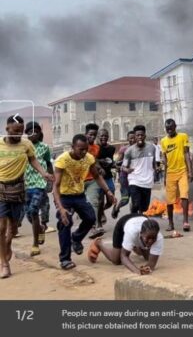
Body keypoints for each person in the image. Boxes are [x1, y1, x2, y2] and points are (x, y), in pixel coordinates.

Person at [53, 134, 117, 270]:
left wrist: (108, 192)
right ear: (73, 147)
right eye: (80, 149)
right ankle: (64, 259)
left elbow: (97, 176)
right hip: (64, 196)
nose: (83, 152)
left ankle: (76, 238)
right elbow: (56, 185)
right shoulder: (62, 160)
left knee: (90, 218)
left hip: (79, 195)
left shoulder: (88, 158)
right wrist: (60, 208)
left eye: (85, 149)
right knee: (65, 223)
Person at [0, 116, 53, 278]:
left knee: (13, 228)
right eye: (15, 131)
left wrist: (44, 173)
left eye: (21, 132)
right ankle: (4, 264)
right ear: (7, 129)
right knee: (1, 229)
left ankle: (8, 244)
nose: (18, 134)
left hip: (18, 190)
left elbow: (33, 160)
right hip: (1, 189)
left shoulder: (27, 144)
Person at [87, 214, 163, 275]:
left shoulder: (158, 237)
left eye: (153, 238)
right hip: (123, 223)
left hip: (141, 220)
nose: (151, 241)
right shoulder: (132, 232)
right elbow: (124, 256)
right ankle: (99, 243)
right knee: (116, 260)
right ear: (141, 233)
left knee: (148, 257)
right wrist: (137, 271)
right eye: (148, 238)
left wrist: (146, 268)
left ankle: (132, 245)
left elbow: (151, 264)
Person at [23, 122, 52, 257]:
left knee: (34, 210)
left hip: (39, 184)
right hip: (25, 184)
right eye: (29, 132)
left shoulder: (45, 147)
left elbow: (48, 163)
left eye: (35, 131)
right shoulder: (22, 147)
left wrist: (50, 180)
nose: (32, 134)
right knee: (29, 214)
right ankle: (40, 228)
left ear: (40, 133)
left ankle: (35, 244)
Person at [160, 119, 193, 232]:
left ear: (175, 126)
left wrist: (190, 171)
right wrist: (165, 176)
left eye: (171, 127)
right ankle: (171, 224)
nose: (169, 129)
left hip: (182, 171)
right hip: (170, 173)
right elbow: (164, 159)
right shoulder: (163, 141)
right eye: (167, 128)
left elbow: (186, 154)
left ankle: (186, 222)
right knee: (170, 201)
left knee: (184, 195)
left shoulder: (183, 136)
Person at [123, 125, 156, 214]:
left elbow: (154, 163)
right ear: (135, 136)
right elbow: (123, 167)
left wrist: (155, 171)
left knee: (144, 208)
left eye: (142, 135)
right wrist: (127, 170)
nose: (140, 137)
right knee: (136, 204)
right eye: (138, 135)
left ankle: (139, 214)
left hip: (147, 181)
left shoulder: (152, 147)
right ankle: (132, 217)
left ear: (145, 135)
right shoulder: (129, 151)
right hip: (135, 180)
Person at [90, 128, 116, 237]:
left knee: (111, 198)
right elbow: (93, 160)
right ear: (98, 137)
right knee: (100, 200)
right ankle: (99, 223)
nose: (103, 137)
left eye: (106, 136)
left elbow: (111, 161)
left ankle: (102, 211)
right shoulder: (96, 149)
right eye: (101, 136)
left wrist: (115, 164)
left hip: (109, 176)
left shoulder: (111, 148)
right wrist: (100, 164)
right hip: (98, 177)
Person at [83, 123, 102, 237]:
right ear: (85, 134)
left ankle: (94, 227)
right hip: (79, 180)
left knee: (93, 202)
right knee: (75, 205)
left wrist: (100, 168)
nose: (92, 137)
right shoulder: (79, 145)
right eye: (90, 134)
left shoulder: (96, 148)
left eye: (94, 135)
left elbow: (95, 161)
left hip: (92, 180)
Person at [112, 130, 136, 218]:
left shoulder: (140, 149)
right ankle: (117, 208)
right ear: (127, 139)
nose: (133, 140)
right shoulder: (124, 149)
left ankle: (132, 216)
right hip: (125, 177)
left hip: (136, 178)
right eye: (131, 138)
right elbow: (116, 164)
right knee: (125, 199)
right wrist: (123, 167)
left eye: (134, 138)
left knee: (135, 198)